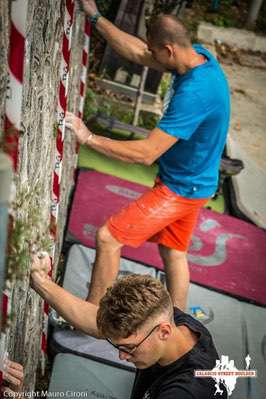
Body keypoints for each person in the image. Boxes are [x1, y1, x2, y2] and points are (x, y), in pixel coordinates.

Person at [65, 0, 230, 310]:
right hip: (196, 181)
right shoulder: (195, 56)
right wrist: (96, 17)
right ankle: (180, 320)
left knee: (108, 237)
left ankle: (92, 319)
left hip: (182, 188)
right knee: (173, 250)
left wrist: (89, 138)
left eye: (156, 53)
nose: (150, 57)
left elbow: (146, 152)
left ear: (168, 50)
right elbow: (137, 51)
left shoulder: (195, 93)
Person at [30, 255, 227, 398]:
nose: (122, 356)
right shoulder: (172, 322)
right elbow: (95, 322)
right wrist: (39, 281)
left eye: (129, 348)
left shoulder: (185, 391)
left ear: (164, 332)